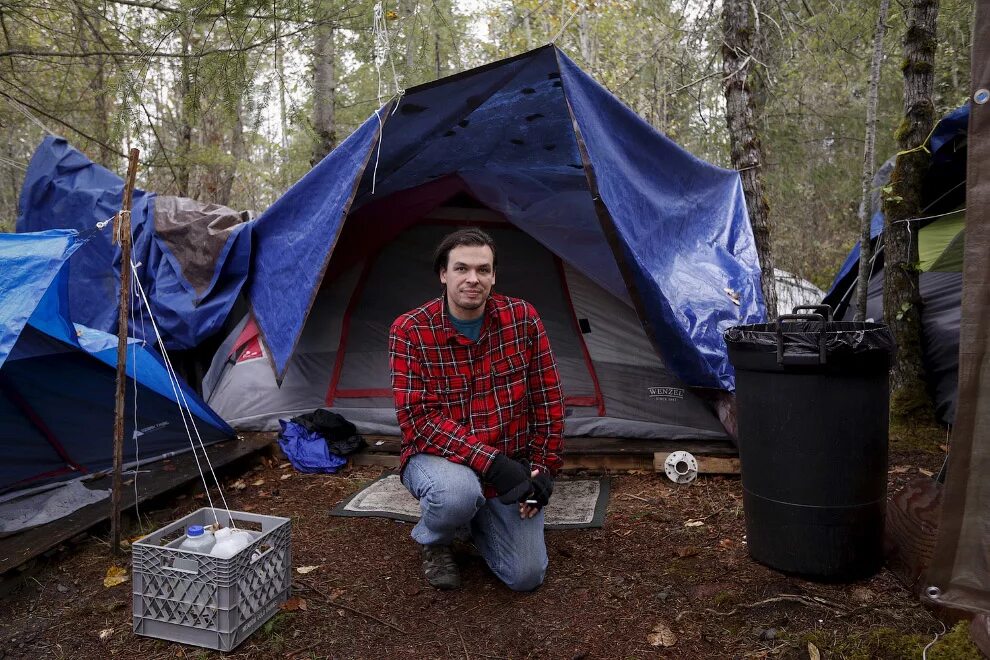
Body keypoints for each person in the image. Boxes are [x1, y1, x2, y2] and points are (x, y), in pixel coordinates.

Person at [388, 227, 564, 591]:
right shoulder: (409, 330)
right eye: (462, 268)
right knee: (457, 494)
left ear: (494, 275)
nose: (473, 279)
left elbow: (548, 399)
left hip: (509, 462)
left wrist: (544, 470)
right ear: (443, 273)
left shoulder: (523, 319)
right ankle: (435, 540)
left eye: (483, 270)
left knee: (525, 576)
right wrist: (493, 465)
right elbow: (418, 420)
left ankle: (475, 521)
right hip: (440, 459)